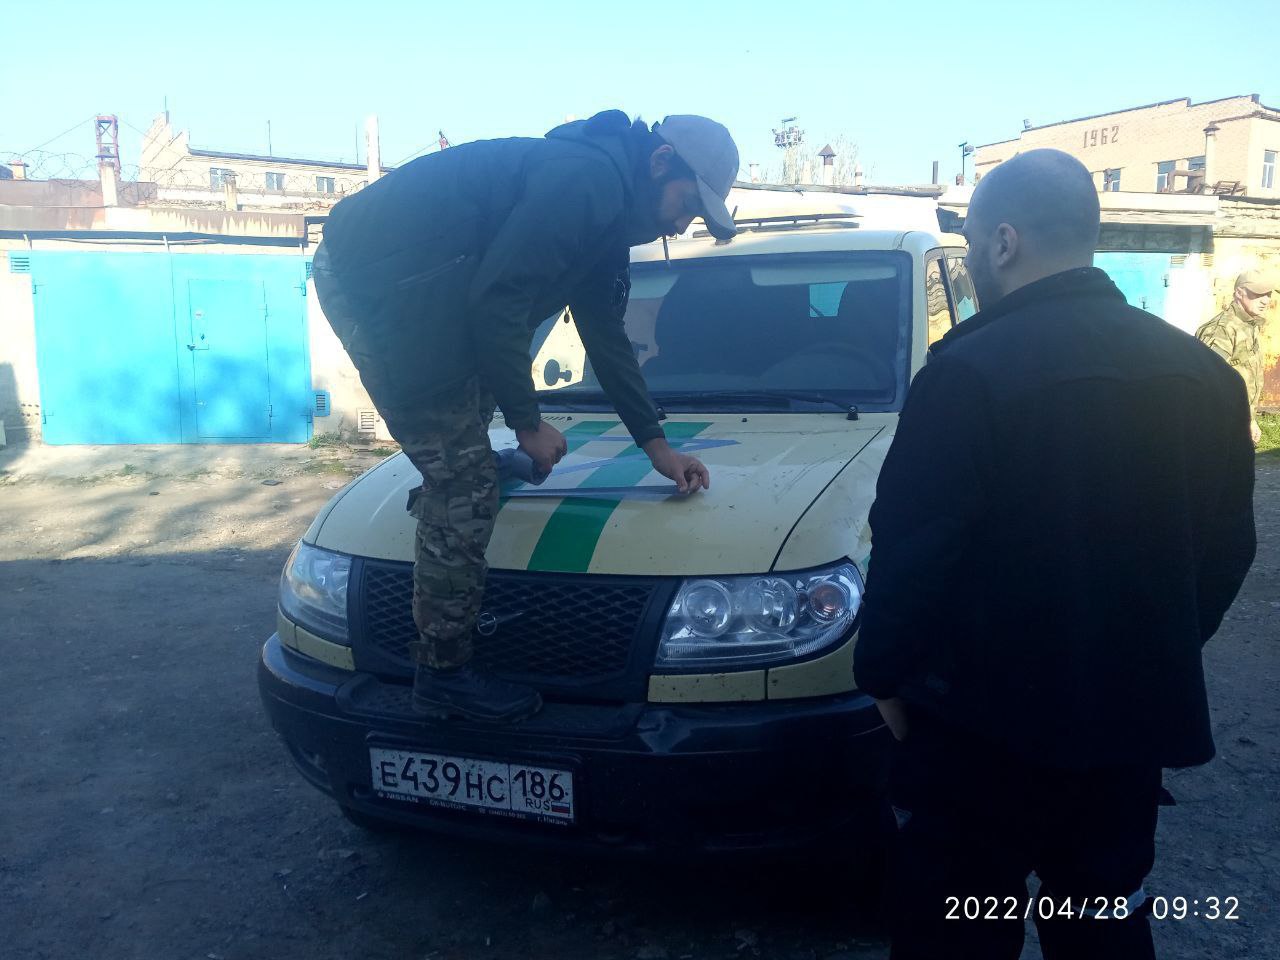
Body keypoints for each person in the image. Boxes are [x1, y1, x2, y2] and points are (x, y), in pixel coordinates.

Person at [853, 148, 1256, 959]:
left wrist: (884, 675)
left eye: (970, 239)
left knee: (957, 930)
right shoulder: (1206, 377)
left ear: (1004, 243)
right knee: (1104, 921)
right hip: (1127, 730)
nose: (968, 257)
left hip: (978, 733)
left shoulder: (965, 373)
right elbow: (1225, 551)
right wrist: (1154, 645)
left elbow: (913, 548)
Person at [312, 111, 738, 722]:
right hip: (376, 283)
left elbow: (606, 337)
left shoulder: (607, 208)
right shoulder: (587, 183)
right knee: (461, 484)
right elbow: (498, 299)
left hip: (433, 289)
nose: (681, 221)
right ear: (661, 162)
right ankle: (442, 675)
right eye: (687, 204)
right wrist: (528, 422)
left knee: (473, 408)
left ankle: (475, 469)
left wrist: (656, 446)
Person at [1196, 270, 1274, 445]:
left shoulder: (1248, 325)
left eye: (1268, 294)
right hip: (1220, 426)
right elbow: (1208, 384)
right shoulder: (1222, 329)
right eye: (1258, 294)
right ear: (1239, 293)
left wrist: (1250, 420)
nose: (1265, 300)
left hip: (1237, 424)